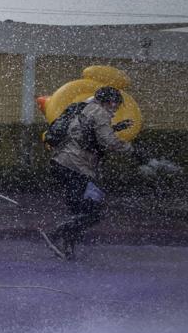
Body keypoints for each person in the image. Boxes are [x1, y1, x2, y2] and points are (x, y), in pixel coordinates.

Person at [40, 86, 137, 260]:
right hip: (76, 167)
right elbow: (108, 142)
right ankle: (57, 234)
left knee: (79, 210)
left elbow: (84, 133)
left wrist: (115, 128)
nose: (116, 108)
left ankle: (66, 247)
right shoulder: (100, 112)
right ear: (110, 101)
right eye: (116, 104)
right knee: (93, 212)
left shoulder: (83, 107)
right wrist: (133, 151)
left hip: (62, 163)